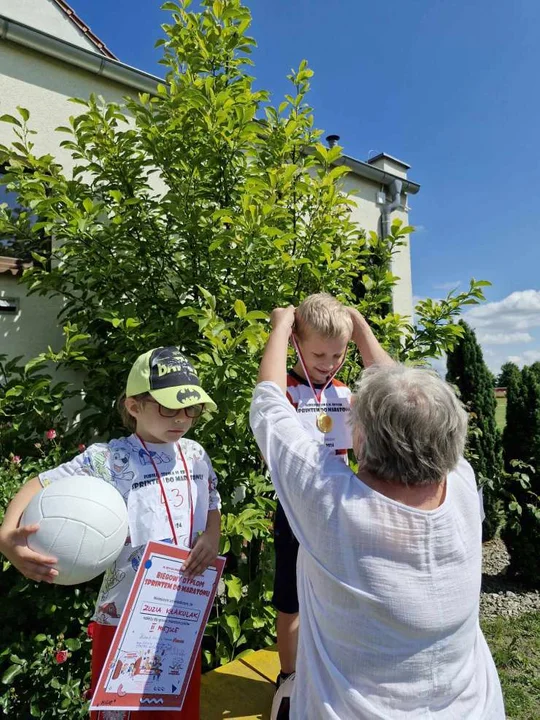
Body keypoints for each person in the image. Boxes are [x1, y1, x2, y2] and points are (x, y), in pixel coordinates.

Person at [251, 307, 505, 720]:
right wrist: (362, 330)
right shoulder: (461, 485)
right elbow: (410, 399)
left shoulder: (329, 506)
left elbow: (268, 406)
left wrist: (281, 325)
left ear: (362, 438)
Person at [0, 347, 221, 720]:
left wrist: (212, 536)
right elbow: (36, 484)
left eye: (192, 409)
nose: (182, 419)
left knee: (177, 711)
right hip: (123, 617)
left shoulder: (196, 454)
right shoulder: (108, 458)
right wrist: (7, 537)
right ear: (133, 406)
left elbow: (211, 500)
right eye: (168, 407)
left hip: (182, 610)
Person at [272, 293, 391, 692]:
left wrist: (361, 330)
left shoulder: (346, 392)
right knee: (290, 595)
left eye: (337, 355)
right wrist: (282, 327)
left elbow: (393, 386)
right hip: (294, 510)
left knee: (340, 593)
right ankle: (288, 678)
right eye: (318, 354)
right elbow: (267, 405)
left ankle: (332, 667)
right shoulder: (283, 388)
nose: (327, 365)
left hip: (341, 508)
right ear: (295, 343)